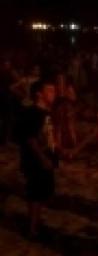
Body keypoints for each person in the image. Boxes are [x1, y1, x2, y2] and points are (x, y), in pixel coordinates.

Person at [16, 78, 58, 236]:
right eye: (50, 91)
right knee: (35, 194)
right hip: (35, 161)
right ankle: (33, 228)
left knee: (43, 193)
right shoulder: (32, 113)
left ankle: (36, 222)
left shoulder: (46, 112)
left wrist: (58, 150)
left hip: (45, 158)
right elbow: (31, 139)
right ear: (39, 94)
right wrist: (43, 158)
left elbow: (48, 136)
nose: (54, 94)